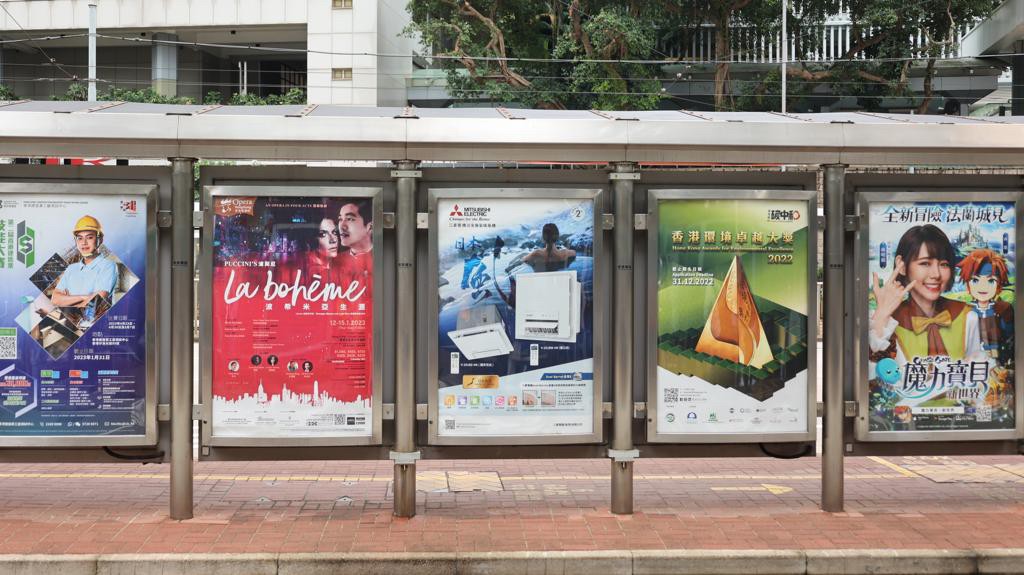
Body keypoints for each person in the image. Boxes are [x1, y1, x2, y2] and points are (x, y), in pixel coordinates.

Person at [869, 224, 982, 367]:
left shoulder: (967, 317)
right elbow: (874, 373)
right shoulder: (887, 322)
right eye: (925, 263)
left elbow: (977, 371)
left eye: (944, 264)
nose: (936, 274)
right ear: (902, 266)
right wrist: (882, 315)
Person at [50, 215, 119, 328]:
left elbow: (93, 305)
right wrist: (84, 297)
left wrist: (68, 300)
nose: (84, 242)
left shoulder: (108, 266)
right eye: (80, 238)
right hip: (70, 326)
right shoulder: (71, 268)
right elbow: (55, 299)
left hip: (95, 327)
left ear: (100, 239)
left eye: (89, 237)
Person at [957, 248, 1013, 360]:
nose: (983, 287)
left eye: (991, 281)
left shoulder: (1002, 309)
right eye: (975, 280)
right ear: (968, 283)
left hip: (997, 355)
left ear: (999, 283)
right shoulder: (965, 311)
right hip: (971, 357)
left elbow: (1010, 335)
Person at [336, 201, 373, 292]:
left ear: (370, 227)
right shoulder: (335, 261)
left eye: (349, 219)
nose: (342, 226)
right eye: (340, 219)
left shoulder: (383, 259)